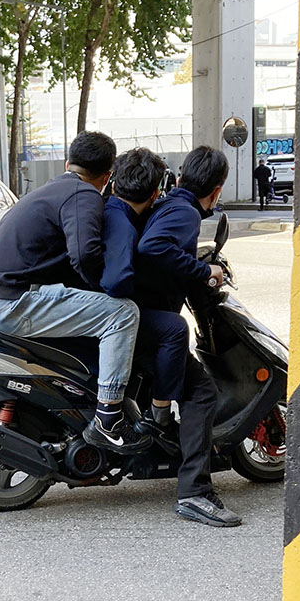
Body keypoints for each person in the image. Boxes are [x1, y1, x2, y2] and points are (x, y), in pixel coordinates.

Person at [0, 131, 150, 455]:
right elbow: (84, 254)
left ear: (68, 163)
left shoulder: (49, 190)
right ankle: (108, 417)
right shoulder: (84, 195)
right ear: (107, 176)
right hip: (12, 301)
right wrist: (105, 287)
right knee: (123, 313)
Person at [135, 146, 242, 527]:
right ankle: (195, 493)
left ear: (181, 177)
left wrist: (195, 264)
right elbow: (152, 247)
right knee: (201, 392)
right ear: (216, 190)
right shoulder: (184, 212)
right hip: (150, 324)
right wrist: (203, 272)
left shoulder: (169, 205)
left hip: (141, 318)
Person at [100, 148, 191, 449]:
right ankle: (159, 417)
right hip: (101, 315)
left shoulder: (109, 210)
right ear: (154, 195)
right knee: (175, 328)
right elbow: (116, 282)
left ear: (114, 184)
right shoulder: (124, 227)